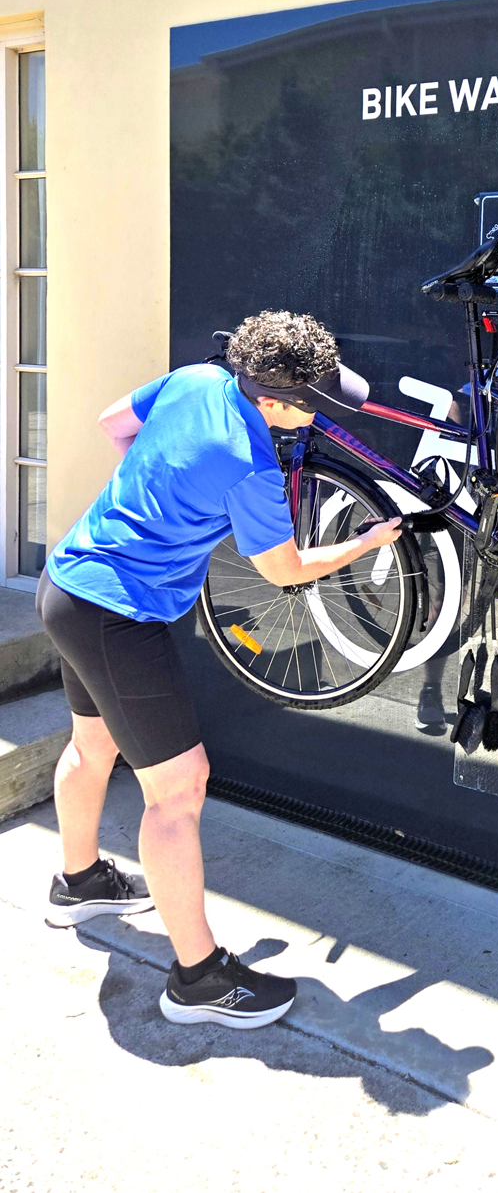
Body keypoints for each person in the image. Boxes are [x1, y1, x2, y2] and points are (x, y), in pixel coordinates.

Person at [36, 311, 401, 1029]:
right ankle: (198, 981)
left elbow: (113, 423)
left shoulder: (198, 379)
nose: (321, 415)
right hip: (116, 616)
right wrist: (365, 543)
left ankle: (79, 883)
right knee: (178, 790)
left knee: (93, 743)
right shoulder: (250, 465)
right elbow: (286, 571)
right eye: (315, 404)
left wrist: (163, 493)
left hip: (68, 585)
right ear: (275, 401)